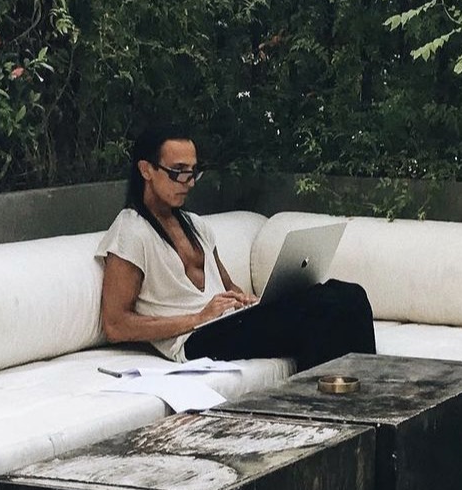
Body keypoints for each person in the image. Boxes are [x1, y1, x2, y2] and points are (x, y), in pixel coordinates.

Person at [97, 125, 375, 371]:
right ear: (146, 170)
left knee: (350, 295)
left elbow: (228, 287)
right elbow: (116, 325)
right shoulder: (131, 230)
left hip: (226, 324)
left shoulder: (196, 225)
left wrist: (247, 300)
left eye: (193, 172)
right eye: (178, 172)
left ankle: (365, 401)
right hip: (193, 339)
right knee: (325, 309)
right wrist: (197, 317)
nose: (189, 183)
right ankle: (321, 404)